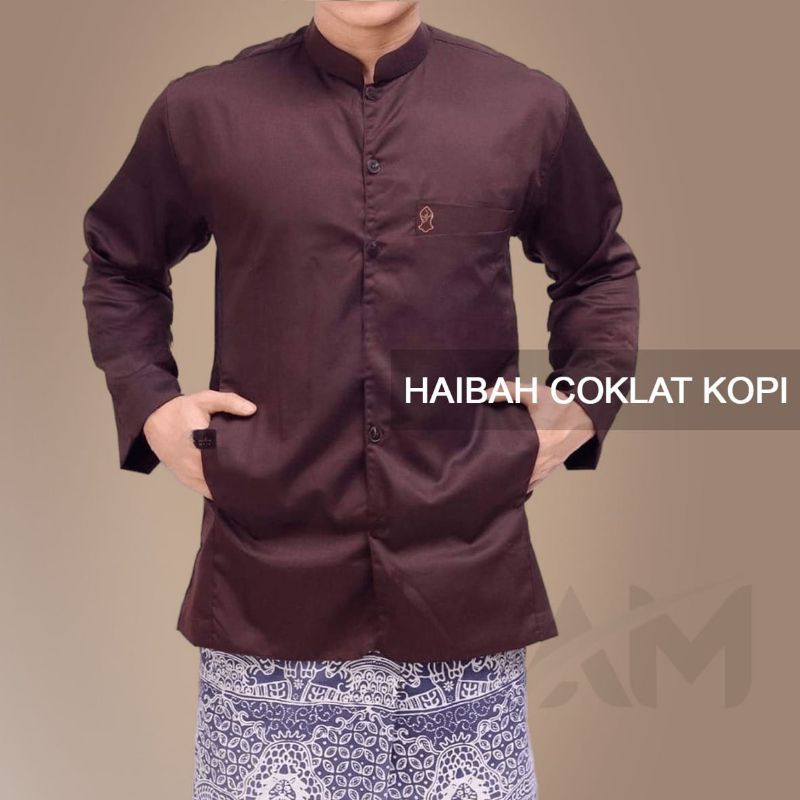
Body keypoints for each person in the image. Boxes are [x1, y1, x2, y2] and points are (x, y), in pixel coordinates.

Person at [80, 1, 640, 798]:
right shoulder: (205, 110)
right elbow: (119, 263)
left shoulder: (524, 107)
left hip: (463, 579)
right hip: (268, 584)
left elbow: (598, 268)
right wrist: (153, 407)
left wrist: (582, 403)